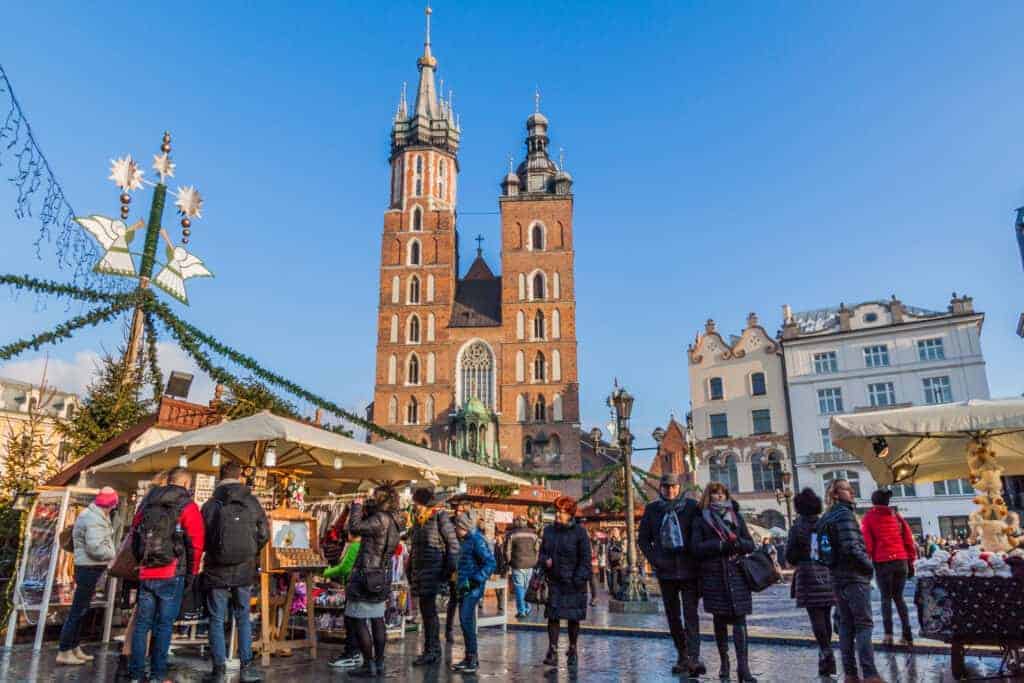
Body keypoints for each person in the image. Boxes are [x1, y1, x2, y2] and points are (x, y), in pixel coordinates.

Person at [128, 467, 205, 683]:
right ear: (186, 485)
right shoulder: (187, 506)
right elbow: (196, 543)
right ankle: (157, 674)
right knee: (164, 625)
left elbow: (134, 534)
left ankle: (135, 673)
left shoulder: (147, 504)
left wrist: (141, 561)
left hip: (146, 571)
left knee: (143, 624)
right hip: (172, 571)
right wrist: (191, 572)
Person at [200, 462, 269, 683]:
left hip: (216, 567)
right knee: (243, 616)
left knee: (216, 617)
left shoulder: (211, 504)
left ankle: (219, 667)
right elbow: (264, 533)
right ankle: (246, 665)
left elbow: (202, 536)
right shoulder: (252, 502)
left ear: (220, 477)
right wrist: (251, 551)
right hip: (244, 568)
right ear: (240, 476)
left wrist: (215, 551)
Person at [638, 473, 705, 676]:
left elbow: (700, 533)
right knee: (673, 616)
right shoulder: (653, 510)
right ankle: (682, 655)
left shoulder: (692, 507)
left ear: (679, 488)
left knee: (691, 615)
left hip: (689, 570)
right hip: (666, 571)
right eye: (666, 487)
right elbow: (643, 540)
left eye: (674, 487)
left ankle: (694, 657)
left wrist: (698, 560)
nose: (670, 490)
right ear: (661, 488)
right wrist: (656, 560)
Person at [820, 479, 884, 683]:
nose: (852, 492)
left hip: (837, 577)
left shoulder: (826, 516)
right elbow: (851, 547)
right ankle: (870, 674)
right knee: (864, 624)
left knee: (846, 625)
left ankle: (850, 674)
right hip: (854, 576)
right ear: (836, 494)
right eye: (847, 489)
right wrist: (868, 566)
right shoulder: (845, 515)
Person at [691, 482, 757, 682]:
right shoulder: (701, 519)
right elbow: (696, 547)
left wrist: (737, 543)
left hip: (737, 574)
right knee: (719, 620)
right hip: (714, 576)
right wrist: (719, 545)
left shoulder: (735, 516)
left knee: (740, 620)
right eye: (714, 494)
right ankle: (724, 662)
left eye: (722, 494)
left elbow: (750, 544)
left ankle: (743, 668)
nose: (718, 497)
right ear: (708, 497)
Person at [116, 470, 170, 681]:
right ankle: (135, 660)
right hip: (153, 564)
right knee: (145, 616)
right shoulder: (160, 505)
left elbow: (136, 529)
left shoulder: (146, 502)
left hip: (142, 564)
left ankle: (129, 659)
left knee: (142, 615)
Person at [344, 486, 404, 678]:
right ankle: (379, 664)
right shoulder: (395, 521)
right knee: (377, 620)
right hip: (381, 575)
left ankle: (368, 664)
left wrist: (356, 507)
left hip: (366, 574)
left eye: (374, 496)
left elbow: (354, 528)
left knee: (358, 619)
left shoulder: (380, 519)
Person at [56, 487, 119, 665]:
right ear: (111, 503)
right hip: (88, 568)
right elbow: (96, 548)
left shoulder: (94, 515)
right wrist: (113, 554)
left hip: (89, 567)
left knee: (81, 610)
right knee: (77, 611)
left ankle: (73, 646)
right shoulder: (93, 518)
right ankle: (64, 650)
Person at [405, 486, 459, 667]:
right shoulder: (419, 522)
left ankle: (432, 651)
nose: (414, 507)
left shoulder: (439, 518)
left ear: (424, 504)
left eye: (416, 504)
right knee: (427, 613)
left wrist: (446, 572)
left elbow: (453, 546)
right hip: (421, 574)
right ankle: (431, 650)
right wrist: (410, 570)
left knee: (429, 614)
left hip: (433, 573)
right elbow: (416, 550)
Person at [785, 488, 836, 677]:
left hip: (807, 573)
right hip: (826, 571)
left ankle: (825, 651)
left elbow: (789, 555)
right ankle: (826, 652)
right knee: (826, 614)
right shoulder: (826, 523)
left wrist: (800, 555)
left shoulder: (797, 527)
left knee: (816, 617)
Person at [538, 495, 591, 669]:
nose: (557, 515)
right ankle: (552, 650)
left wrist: (578, 579)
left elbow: (586, 560)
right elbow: (542, 553)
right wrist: (545, 560)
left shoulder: (580, 532)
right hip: (554, 580)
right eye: (557, 511)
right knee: (553, 617)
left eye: (561, 512)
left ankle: (573, 649)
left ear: (570, 514)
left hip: (574, 583)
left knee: (573, 618)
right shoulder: (549, 531)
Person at [861, 489, 917, 646]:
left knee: (886, 598)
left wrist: (867, 562)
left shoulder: (869, 518)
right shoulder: (897, 517)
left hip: (883, 562)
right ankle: (907, 635)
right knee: (899, 598)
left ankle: (888, 635)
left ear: (873, 502)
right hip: (901, 561)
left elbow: (868, 544)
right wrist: (910, 561)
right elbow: (908, 541)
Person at [450, 510, 496, 673]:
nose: (454, 529)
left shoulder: (476, 540)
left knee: (465, 620)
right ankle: (469, 656)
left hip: (472, 587)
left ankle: (472, 658)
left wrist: (475, 580)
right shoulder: (467, 540)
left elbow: (490, 563)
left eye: (456, 526)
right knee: (466, 621)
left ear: (463, 527)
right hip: (465, 586)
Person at [326, 531, 363, 669]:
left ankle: (351, 653)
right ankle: (357, 653)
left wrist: (325, 572)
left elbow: (345, 568)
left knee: (351, 621)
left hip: (354, 587)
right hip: (363, 587)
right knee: (359, 621)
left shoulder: (354, 546)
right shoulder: (366, 545)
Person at [506, 515, 540, 618]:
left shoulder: (512, 534)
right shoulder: (533, 534)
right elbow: (537, 549)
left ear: (517, 522)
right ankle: (527, 608)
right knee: (527, 587)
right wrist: (535, 561)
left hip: (517, 564)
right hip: (531, 564)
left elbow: (507, 551)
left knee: (519, 587)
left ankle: (522, 611)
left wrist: (510, 562)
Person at [605, 527, 624, 595]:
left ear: (619, 532)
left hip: (621, 564)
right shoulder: (610, 542)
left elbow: (625, 551)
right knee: (614, 581)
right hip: (613, 564)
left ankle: (621, 592)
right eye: (613, 531)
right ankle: (614, 593)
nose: (614, 532)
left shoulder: (622, 541)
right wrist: (607, 564)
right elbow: (607, 553)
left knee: (622, 580)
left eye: (616, 531)